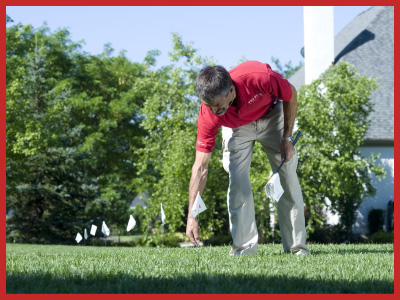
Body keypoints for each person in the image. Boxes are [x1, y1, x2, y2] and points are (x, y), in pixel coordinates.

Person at [186, 61, 310, 256]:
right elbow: (200, 167)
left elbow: (291, 94)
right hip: (237, 128)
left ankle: (297, 249)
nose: (214, 111)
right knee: (238, 181)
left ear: (231, 91)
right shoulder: (208, 114)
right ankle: (244, 250)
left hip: (271, 116)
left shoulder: (259, 77)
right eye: (209, 106)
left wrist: (287, 138)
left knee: (288, 177)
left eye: (218, 105)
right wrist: (192, 216)